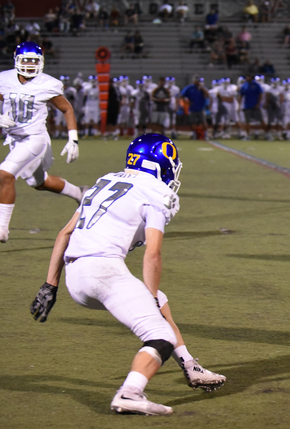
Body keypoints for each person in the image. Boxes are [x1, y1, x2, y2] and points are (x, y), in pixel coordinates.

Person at [29, 133, 226, 415]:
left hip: (75, 277)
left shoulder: (105, 181)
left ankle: (191, 366)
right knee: (162, 337)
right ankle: (130, 392)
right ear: (161, 163)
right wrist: (150, 298)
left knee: (160, 297)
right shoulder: (156, 192)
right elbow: (153, 253)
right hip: (103, 271)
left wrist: (49, 286)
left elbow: (65, 233)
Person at [0, 42, 83, 243]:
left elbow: (67, 109)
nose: (29, 65)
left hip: (35, 139)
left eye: (34, 60)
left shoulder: (47, 83)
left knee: (4, 174)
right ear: (16, 59)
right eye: (25, 60)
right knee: (39, 182)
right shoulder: (5, 79)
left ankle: (2, 229)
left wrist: (73, 138)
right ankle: (80, 194)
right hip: (15, 140)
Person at [238, 74, 265, 140]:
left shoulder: (256, 85)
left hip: (255, 105)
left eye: (248, 76)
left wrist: (258, 104)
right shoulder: (244, 85)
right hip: (247, 106)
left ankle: (266, 134)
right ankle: (248, 135)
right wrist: (239, 105)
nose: (247, 77)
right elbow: (240, 95)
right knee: (247, 121)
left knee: (261, 120)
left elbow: (260, 94)